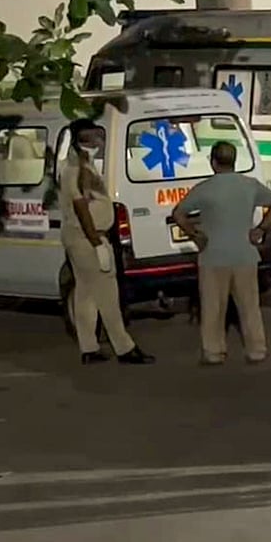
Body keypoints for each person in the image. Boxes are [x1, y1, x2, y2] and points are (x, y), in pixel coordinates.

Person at [171, 141, 271, 365]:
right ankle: (256, 350)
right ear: (234, 161)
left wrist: (195, 235)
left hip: (213, 257)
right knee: (250, 307)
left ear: (212, 162)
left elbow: (179, 214)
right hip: (244, 255)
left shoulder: (205, 188)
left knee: (213, 308)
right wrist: (260, 229)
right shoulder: (249, 185)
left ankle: (213, 352)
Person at [59, 119, 154, 365]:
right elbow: (81, 206)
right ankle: (124, 347)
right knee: (108, 293)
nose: (100, 141)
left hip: (83, 238)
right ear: (85, 140)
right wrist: (96, 241)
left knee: (86, 294)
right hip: (88, 239)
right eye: (96, 136)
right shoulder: (76, 169)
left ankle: (89, 347)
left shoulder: (82, 166)